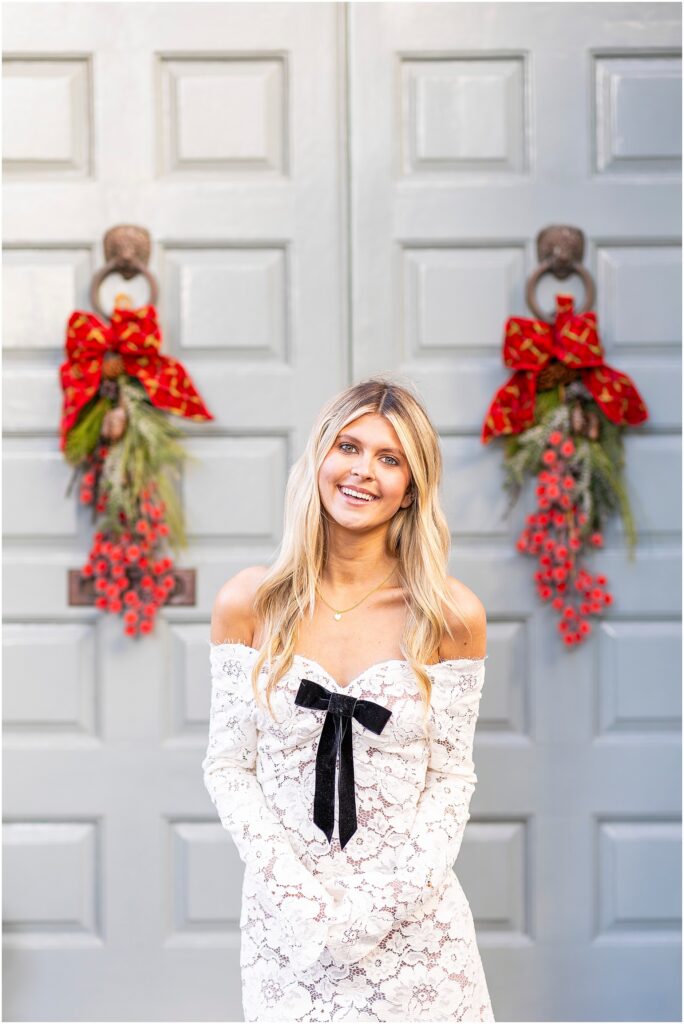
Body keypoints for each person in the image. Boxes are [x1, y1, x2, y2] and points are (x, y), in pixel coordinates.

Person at [202, 376, 495, 1021]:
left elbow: (450, 778)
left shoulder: (450, 615)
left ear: (413, 485)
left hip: (415, 934)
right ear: (319, 460)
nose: (363, 471)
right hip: (289, 932)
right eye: (349, 447)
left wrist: (379, 908)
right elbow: (229, 766)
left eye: (390, 459)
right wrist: (300, 902)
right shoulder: (249, 604)